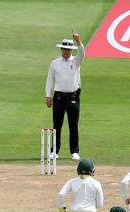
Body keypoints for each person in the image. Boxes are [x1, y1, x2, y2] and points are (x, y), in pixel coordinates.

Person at [45, 31, 85, 161]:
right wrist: (48, 96)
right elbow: (50, 80)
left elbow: (82, 53)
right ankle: (54, 151)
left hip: (73, 97)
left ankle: (74, 151)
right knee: (57, 125)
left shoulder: (76, 61)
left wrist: (78, 41)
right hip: (59, 97)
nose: (66, 52)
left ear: (71, 50)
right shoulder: (55, 63)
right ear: (61, 49)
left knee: (73, 125)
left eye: (69, 49)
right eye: (65, 49)